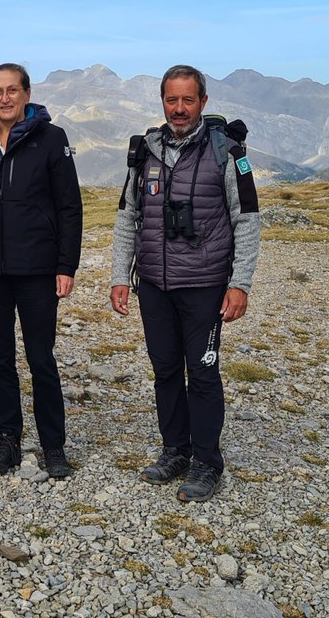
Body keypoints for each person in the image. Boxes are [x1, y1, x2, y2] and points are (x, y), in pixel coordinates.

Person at [110, 64, 260, 502]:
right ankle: (175, 449)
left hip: (205, 286)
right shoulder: (146, 152)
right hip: (154, 285)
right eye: (171, 100)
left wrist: (241, 283)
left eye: (187, 100)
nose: (179, 108)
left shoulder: (229, 153)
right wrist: (121, 276)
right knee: (165, 371)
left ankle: (207, 461)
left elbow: (247, 220)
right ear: (163, 101)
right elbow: (127, 216)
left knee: (205, 372)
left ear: (203, 103)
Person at [0, 63, 82, 480]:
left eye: (12, 90)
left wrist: (66, 264)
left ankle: (53, 446)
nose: (5, 98)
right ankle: (7, 439)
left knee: (41, 358)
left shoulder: (51, 138)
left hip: (37, 269)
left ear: (27, 94)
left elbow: (69, 206)